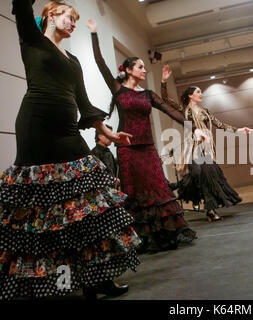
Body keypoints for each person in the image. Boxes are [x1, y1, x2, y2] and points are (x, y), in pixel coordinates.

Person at [0, 0, 139, 300]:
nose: (73, 23)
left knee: (89, 205)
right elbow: (22, 6)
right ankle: (48, 284)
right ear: (51, 15)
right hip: (36, 128)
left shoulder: (73, 59)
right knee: (42, 208)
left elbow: (86, 106)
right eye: (68, 17)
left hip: (67, 132)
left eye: (75, 19)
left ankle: (96, 278)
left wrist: (110, 135)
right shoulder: (32, 40)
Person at [87, 20, 196, 252]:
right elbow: (100, 63)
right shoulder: (118, 89)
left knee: (157, 187)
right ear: (127, 70)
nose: (144, 70)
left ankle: (164, 234)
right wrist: (95, 33)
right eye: (139, 67)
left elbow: (171, 111)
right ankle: (142, 239)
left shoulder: (148, 94)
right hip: (126, 148)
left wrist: (193, 126)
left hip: (147, 148)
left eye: (144, 67)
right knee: (134, 193)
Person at [160, 65, 252, 222]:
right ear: (190, 96)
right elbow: (165, 99)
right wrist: (163, 81)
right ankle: (181, 186)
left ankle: (209, 209)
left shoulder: (206, 112)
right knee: (198, 175)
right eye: (198, 92)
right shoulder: (184, 111)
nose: (201, 94)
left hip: (207, 150)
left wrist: (238, 130)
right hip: (193, 149)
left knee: (208, 177)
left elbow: (220, 125)